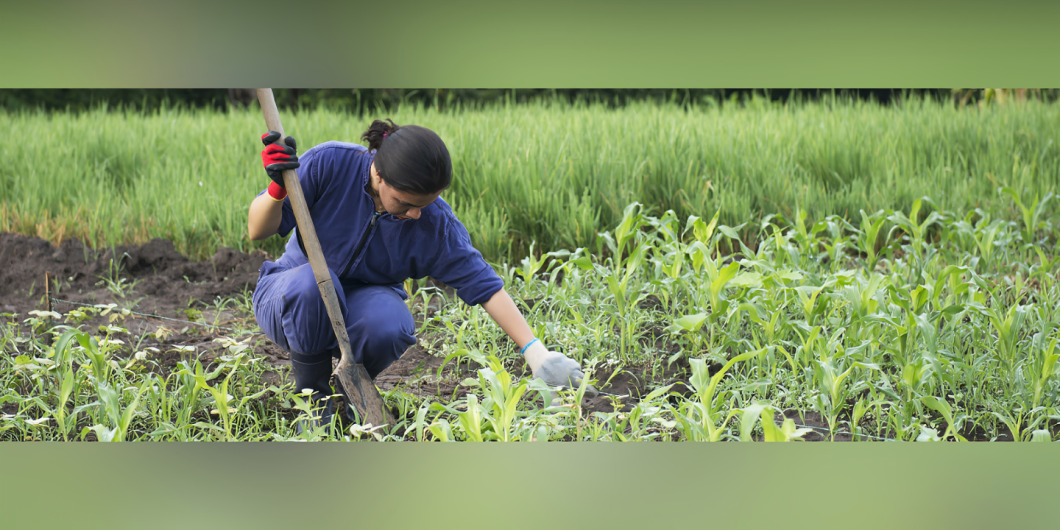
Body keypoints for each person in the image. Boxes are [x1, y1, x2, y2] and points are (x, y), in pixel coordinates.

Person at [247, 120, 596, 431]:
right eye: (404, 202)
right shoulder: (330, 164)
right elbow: (256, 230)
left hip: (358, 307)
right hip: (288, 296)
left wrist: (537, 353)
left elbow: (484, 285)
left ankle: (352, 383)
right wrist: (278, 190)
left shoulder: (432, 223)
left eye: (424, 204)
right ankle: (314, 399)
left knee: (391, 322)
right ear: (378, 174)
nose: (415, 214)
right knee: (315, 284)